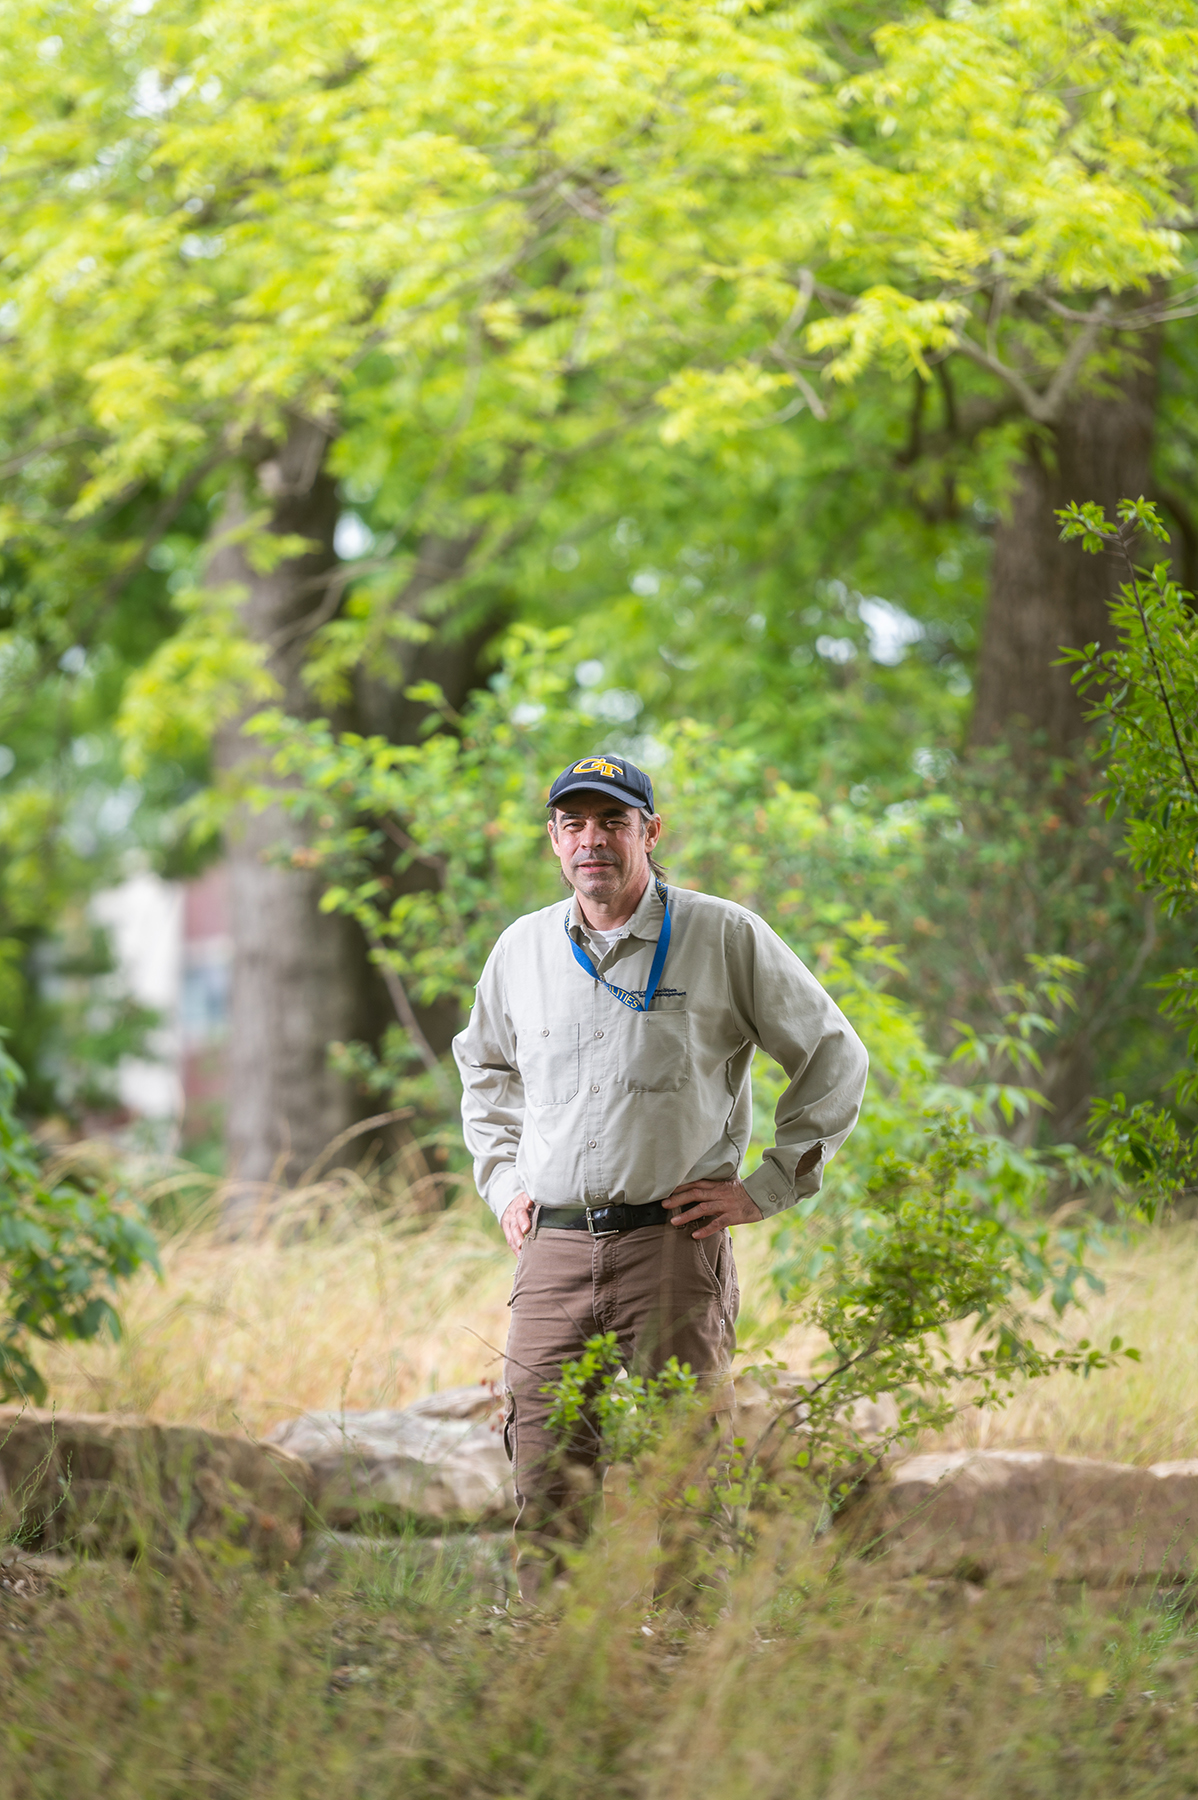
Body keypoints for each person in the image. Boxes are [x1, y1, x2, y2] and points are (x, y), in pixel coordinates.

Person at [452, 752, 869, 1592]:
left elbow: (833, 1054)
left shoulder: (723, 935)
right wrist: (502, 1181)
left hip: (673, 1246)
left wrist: (768, 1186)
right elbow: (485, 1071)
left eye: (612, 821)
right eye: (573, 824)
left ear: (651, 831)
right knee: (544, 1468)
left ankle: (683, 1673)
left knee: (683, 1472)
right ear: (554, 840)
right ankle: (550, 1663)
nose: (591, 841)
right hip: (554, 1251)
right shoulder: (522, 949)